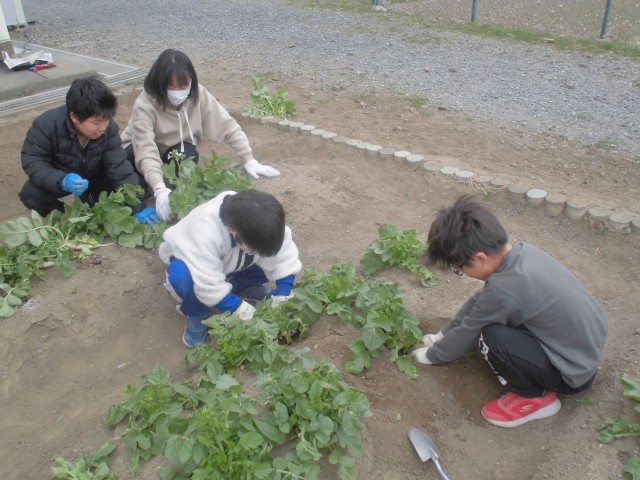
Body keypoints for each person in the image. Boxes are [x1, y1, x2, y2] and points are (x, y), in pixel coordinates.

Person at [410, 195, 608, 428]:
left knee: (490, 338)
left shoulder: (504, 290)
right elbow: (479, 302)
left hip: (570, 375)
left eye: (460, 269)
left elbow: (470, 331)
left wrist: (431, 356)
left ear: (481, 258)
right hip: (583, 353)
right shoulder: (523, 255)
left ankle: (534, 397)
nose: (462, 272)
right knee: (495, 319)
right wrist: (442, 335)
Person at [121, 48, 280, 222]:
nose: (177, 91)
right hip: (135, 151)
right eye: (170, 86)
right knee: (134, 187)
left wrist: (249, 160)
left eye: (183, 85)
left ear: (191, 81)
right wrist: (159, 190)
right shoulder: (145, 104)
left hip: (173, 150)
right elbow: (145, 150)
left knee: (188, 155)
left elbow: (226, 125)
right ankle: (153, 186)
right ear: (159, 83)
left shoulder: (198, 94)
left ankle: (163, 186)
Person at [158, 189, 302, 347]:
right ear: (231, 231)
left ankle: (242, 287)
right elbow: (208, 285)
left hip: (229, 262)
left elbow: (284, 256)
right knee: (182, 277)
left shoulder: (262, 218)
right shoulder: (205, 233)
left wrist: (283, 294)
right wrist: (240, 309)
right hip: (193, 262)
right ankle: (196, 315)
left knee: (266, 252)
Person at [18, 76, 159, 223]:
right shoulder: (47, 125)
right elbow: (33, 160)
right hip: (63, 175)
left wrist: (138, 208)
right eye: (96, 123)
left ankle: (90, 199)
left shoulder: (108, 129)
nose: (103, 127)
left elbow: (119, 167)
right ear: (74, 117)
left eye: (107, 120)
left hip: (95, 174)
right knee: (31, 194)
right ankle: (66, 218)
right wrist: (62, 180)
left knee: (132, 175)